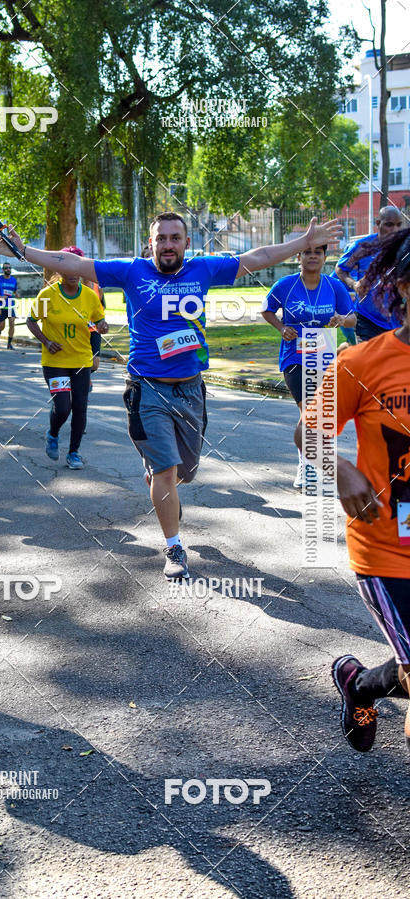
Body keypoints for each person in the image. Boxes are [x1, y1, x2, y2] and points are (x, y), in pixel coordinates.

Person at [0, 213, 343, 579]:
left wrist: (302, 243)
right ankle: (174, 546)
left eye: (175, 238)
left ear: (186, 242)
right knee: (166, 471)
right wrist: (24, 251)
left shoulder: (204, 269)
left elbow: (258, 257)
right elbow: (71, 262)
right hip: (147, 388)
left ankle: (160, 479)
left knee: (185, 471)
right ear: (151, 242)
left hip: (191, 389)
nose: (168, 244)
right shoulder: (132, 272)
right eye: (161, 238)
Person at [294, 228, 410, 753]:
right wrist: (339, 470)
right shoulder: (361, 363)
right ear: (403, 287)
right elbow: (307, 433)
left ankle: (359, 685)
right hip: (388, 551)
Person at [261, 244, 356, 487]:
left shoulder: (334, 286)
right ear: (299, 256)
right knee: (309, 411)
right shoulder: (285, 285)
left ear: (324, 257)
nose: (312, 256)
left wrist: (341, 319)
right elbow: (266, 309)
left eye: (317, 252)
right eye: (307, 252)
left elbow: (353, 318)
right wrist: (282, 328)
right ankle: (305, 466)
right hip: (294, 356)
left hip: (324, 355)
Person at [25, 247, 107, 469]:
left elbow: (98, 321)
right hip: (56, 362)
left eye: (76, 267)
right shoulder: (48, 295)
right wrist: (46, 341)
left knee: (80, 407)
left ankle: (74, 453)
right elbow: (31, 321)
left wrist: (102, 325)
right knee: (63, 407)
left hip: (81, 361)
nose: (72, 273)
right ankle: (53, 433)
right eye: (66, 267)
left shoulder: (90, 296)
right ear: (59, 270)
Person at [334, 206, 404, 342]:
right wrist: (354, 284)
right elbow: (340, 268)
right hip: (367, 319)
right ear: (378, 223)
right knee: (366, 356)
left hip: (398, 321)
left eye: (398, 225)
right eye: (389, 225)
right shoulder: (363, 247)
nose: (395, 230)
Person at [0, 262, 19, 349]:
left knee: (12, 323)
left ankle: (9, 344)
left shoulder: (13, 280)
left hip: (10, 306)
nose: (8, 269)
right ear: (3, 270)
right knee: (2, 326)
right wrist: (1, 297)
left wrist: (17, 294)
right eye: (6, 268)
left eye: (9, 268)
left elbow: (15, 290)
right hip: (1, 306)